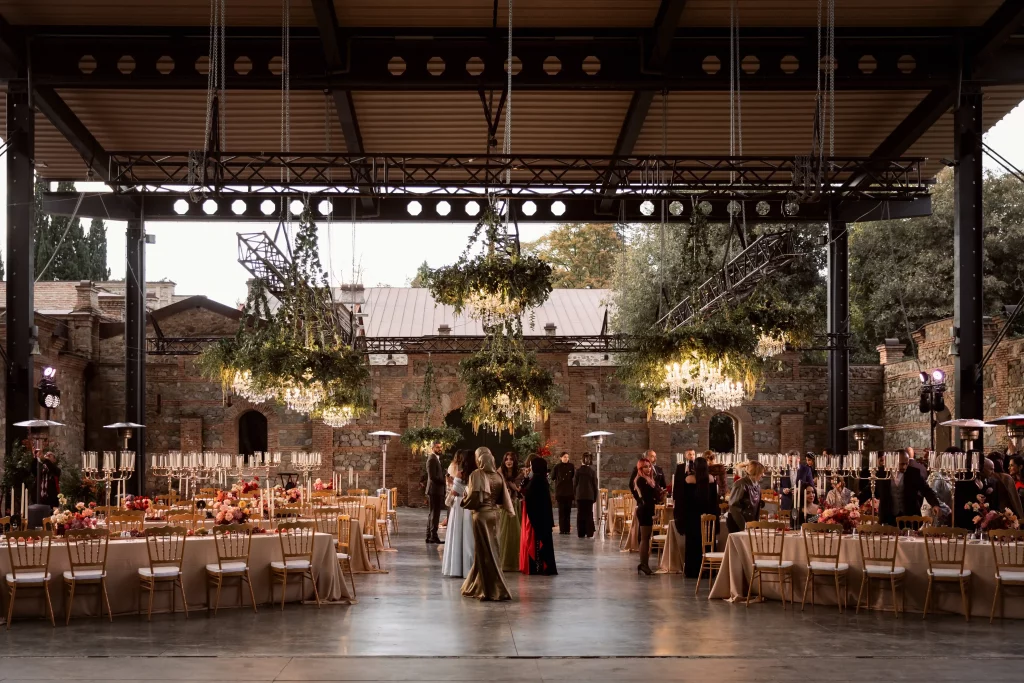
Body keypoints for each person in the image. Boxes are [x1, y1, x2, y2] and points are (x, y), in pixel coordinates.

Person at [461, 448, 516, 601]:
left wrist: (464, 499)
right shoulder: (498, 476)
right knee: (492, 550)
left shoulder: (477, 474)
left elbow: (473, 498)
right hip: (495, 515)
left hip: (481, 516)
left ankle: (489, 589)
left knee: (484, 551)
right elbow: (504, 497)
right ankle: (478, 583)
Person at [674, 455, 719, 579]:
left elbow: (682, 501)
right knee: (708, 543)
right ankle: (708, 570)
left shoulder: (688, 479)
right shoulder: (711, 479)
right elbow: (715, 502)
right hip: (708, 518)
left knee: (693, 545)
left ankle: (693, 570)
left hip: (692, 517)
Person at [877, 450, 946, 526]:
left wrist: (935, 504)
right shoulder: (882, 473)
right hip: (888, 517)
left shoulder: (913, 473)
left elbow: (927, 490)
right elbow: (869, 490)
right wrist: (860, 503)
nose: (905, 467)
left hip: (910, 518)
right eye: (902, 464)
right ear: (894, 461)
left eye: (907, 464)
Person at [520, 457, 557, 575]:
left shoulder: (538, 480)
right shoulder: (539, 479)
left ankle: (538, 568)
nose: (530, 468)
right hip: (541, 518)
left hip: (538, 518)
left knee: (538, 543)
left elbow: (529, 495)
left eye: (531, 465)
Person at [441, 451, 474, 577]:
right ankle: (469, 567)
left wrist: (448, 499)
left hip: (459, 505)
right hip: (470, 506)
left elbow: (455, 492)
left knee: (457, 535)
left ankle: (457, 568)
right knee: (468, 536)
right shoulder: (477, 474)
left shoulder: (461, 473)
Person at [633, 457, 664, 576]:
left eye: (649, 466)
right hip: (645, 510)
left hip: (648, 508)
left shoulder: (650, 479)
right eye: (645, 466)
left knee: (647, 538)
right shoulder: (641, 480)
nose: (648, 468)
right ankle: (643, 565)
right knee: (645, 538)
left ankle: (644, 564)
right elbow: (646, 497)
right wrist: (657, 494)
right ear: (640, 468)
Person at [496, 452, 522, 572]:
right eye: (506, 459)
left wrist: (514, 488)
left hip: (515, 504)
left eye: (511, 459)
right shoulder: (500, 472)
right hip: (504, 505)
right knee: (504, 532)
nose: (509, 461)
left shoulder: (519, 473)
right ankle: (503, 562)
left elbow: (519, 489)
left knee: (516, 532)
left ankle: (516, 562)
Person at [727, 460, 765, 533]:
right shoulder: (741, 483)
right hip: (737, 521)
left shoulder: (756, 484)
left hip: (749, 521)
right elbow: (734, 506)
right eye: (761, 473)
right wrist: (744, 526)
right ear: (755, 473)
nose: (763, 475)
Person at [425, 441, 447, 544]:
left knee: (433, 513)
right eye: (437, 447)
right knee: (435, 513)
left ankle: (430, 536)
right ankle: (433, 536)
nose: (440, 449)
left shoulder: (435, 459)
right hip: (434, 490)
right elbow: (432, 477)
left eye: (440, 447)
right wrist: (444, 480)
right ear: (433, 448)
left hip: (436, 490)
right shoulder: (432, 459)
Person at [574, 452, 599, 538]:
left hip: (580, 496)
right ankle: (589, 532)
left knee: (580, 514)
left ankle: (581, 532)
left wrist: (575, 495)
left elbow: (575, 484)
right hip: (589, 496)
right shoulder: (592, 471)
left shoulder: (578, 471)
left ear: (582, 460)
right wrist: (595, 497)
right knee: (589, 514)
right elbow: (595, 485)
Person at [551, 451, 576, 535]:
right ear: (561, 458)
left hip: (568, 492)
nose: (566, 458)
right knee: (561, 512)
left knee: (568, 512)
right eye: (564, 457)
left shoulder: (571, 466)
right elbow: (553, 477)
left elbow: (572, 476)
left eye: (567, 457)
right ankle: (562, 529)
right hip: (560, 492)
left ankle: (567, 529)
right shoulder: (557, 467)